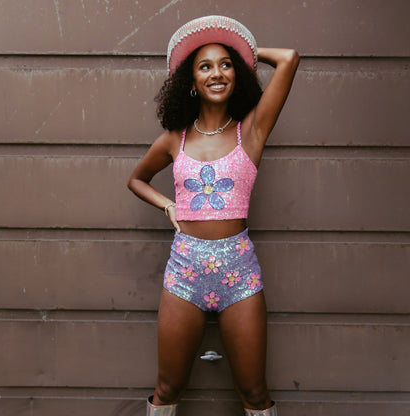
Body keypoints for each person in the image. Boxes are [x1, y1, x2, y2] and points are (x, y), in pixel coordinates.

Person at [127, 15, 299, 416]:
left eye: (226, 64)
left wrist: (242, 49)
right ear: (191, 80)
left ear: (237, 74)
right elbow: (137, 179)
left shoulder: (251, 131)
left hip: (238, 270)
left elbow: (289, 59)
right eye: (205, 66)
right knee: (167, 386)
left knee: (255, 392)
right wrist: (167, 204)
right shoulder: (175, 138)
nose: (217, 73)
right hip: (185, 269)